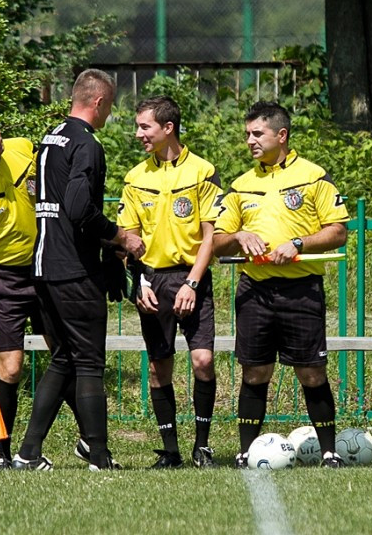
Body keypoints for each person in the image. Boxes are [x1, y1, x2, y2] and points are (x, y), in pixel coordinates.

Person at [0, 110, 106, 470]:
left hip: (46, 265)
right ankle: (3, 452)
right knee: (11, 368)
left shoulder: (23, 149)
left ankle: (87, 440)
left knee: (66, 355)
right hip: (4, 279)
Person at [13, 69, 145, 471]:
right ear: (100, 102)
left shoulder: (51, 137)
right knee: (88, 361)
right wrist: (119, 237)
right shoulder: (86, 144)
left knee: (65, 358)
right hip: (72, 269)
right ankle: (99, 456)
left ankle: (28, 453)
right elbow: (77, 207)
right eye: (111, 106)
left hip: (43, 264)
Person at [212, 101, 349, 469]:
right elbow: (218, 240)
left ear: (281, 135)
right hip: (255, 292)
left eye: (257, 133)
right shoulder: (241, 185)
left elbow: (338, 231)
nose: (250, 141)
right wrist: (240, 235)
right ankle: (245, 451)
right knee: (255, 371)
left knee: (311, 372)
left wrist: (299, 243)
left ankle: (330, 451)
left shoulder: (314, 176)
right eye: (247, 135)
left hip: (301, 290)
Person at [117, 96, 221, 469]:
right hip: (151, 280)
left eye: (144, 126)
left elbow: (211, 235)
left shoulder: (202, 171)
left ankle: (203, 447)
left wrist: (193, 283)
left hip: (191, 277)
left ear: (168, 128)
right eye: (138, 126)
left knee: (202, 360)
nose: (138, 133)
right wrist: (139, 281)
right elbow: (127, 237)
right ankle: (171, 451)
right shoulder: (135, 177)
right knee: (160, 369)